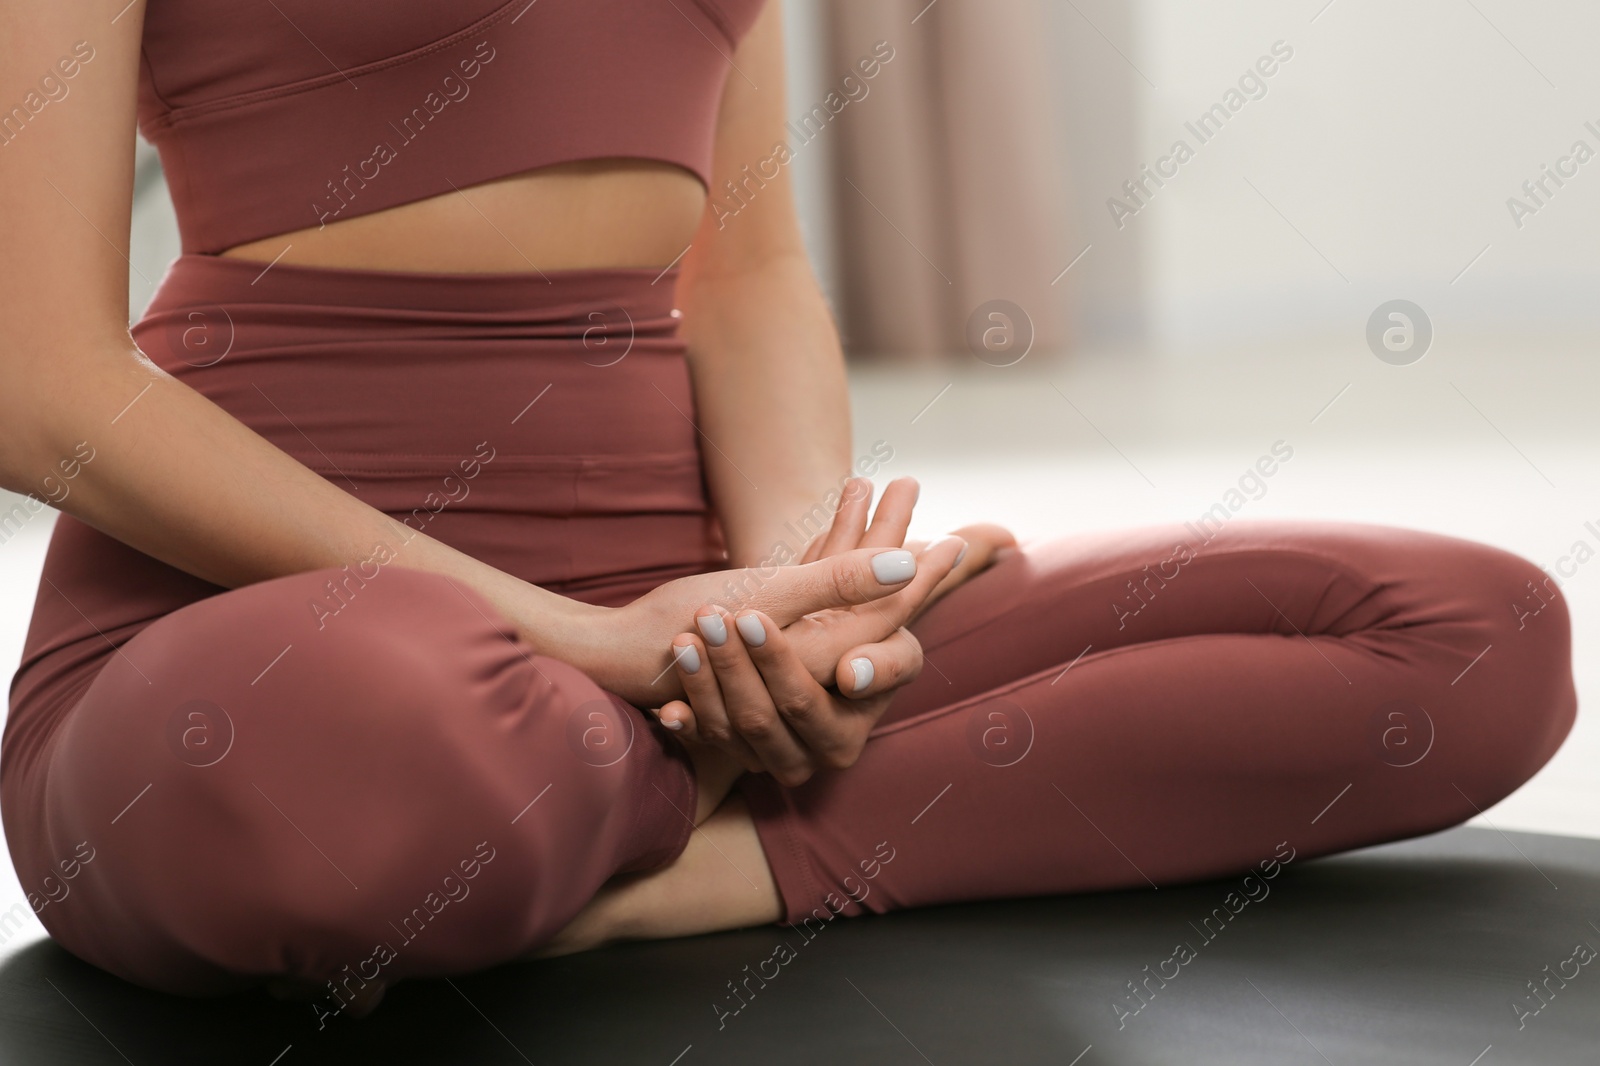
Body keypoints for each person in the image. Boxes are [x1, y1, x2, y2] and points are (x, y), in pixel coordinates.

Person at [0, 0, 1574, 1022]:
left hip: (675, 625)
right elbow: (35, 378)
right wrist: (599, 647)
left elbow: (746, 277)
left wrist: (786, 600)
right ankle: (610, 778)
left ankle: (661, 870)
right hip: (269, 631)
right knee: (385, 739)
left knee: (1475, 635)